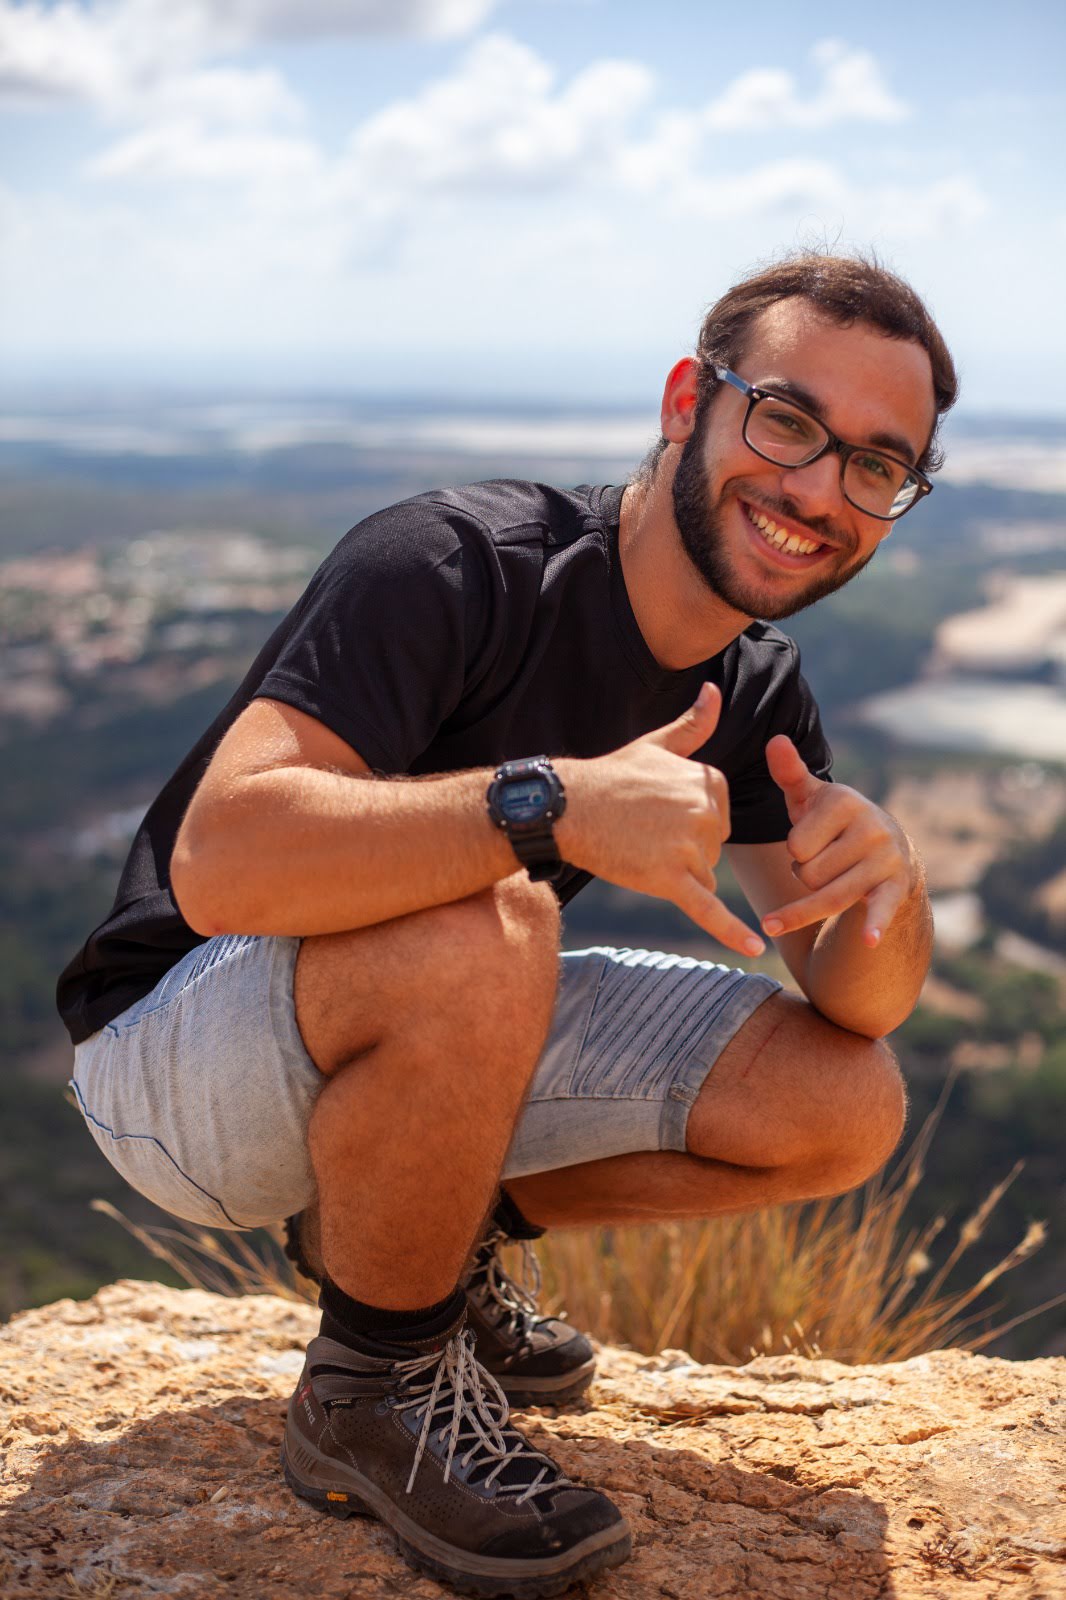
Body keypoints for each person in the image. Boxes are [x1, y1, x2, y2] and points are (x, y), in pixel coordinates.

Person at [58, 251, 956, 1597]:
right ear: (687, 403)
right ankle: (374, 1386)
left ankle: (414, 1237)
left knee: (843, 1102)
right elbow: (220, 859)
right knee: (494, 912)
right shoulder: (456, 564)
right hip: (174, 1055)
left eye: (877, 465)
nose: (820, 490)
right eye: (787, 422)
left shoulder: (755, 688)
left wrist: (890, 882)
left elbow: (858, 1002)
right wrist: (551, 805)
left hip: (425, 1024)